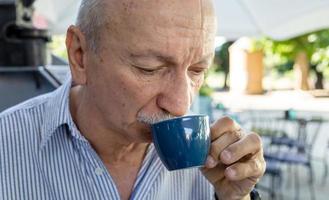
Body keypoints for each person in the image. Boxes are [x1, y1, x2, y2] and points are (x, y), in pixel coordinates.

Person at [0, 0, 265, 199]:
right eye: (149, 68)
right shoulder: (6, 147)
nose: (180, 105)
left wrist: (236, 197)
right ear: (80, 55)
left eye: (197, 70)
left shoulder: (213, 160)